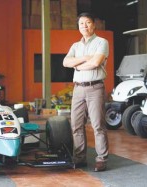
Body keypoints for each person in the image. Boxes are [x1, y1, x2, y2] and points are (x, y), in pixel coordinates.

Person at [63, 12, 109, 172]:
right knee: (76, 125)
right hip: (78, 89)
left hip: (95, 87)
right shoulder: (76, 46)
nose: (84, 26)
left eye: (88, 23)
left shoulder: (102, 42)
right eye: (81, 23)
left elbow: (96, 62)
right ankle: (80, 157)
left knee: (98, 125)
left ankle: (101, 159)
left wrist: (77, 65)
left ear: (93, 25)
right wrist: (84, 59)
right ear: (78, 26)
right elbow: (65, 62)